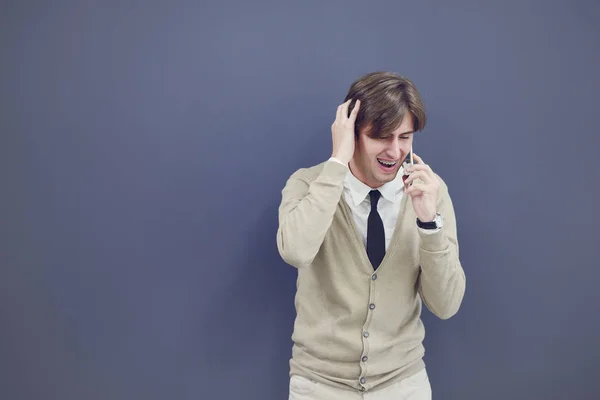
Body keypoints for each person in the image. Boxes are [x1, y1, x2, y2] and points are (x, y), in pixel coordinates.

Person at [276, 71, 466, 399]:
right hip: (319, 386)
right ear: (353, 132)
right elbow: (295, 251)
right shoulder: (308, 185)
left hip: (403, 384)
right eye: (382, 136)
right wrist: (337, 162)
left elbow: (446, 304)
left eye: (405, 137)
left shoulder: (430, 192)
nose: (394, 151)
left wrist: (428, 224)